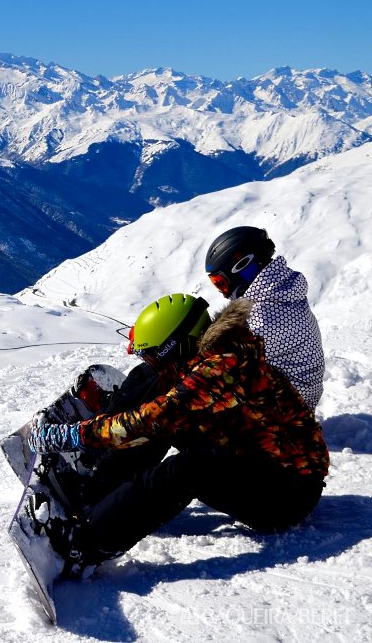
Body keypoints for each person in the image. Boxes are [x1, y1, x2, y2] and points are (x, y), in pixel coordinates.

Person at [24, 293, 329, 574]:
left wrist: (74, 435)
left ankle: (86, 545)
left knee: (190, 466)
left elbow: (148, 420)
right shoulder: (212, 354)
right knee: (156, 386)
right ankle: (97, 486)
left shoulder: (221, 369)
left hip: (286, 493)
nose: (151, 361)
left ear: (177, 344)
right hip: (254, 458)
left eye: (154, 354)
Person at [205, 225, 324, 409]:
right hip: (298, 394)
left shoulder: (262, 316)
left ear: (243, 266)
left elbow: (219, 362)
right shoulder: (280, 292)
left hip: (286, 410)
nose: (223, 294)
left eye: (221, 283)